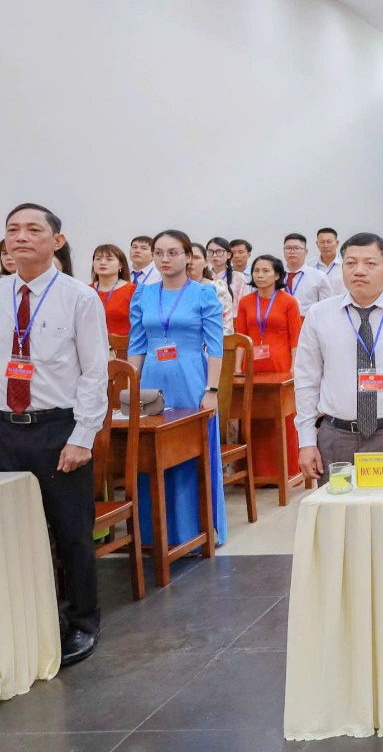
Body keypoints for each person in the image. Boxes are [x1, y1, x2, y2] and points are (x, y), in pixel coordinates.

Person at [1, 203, 110, 666]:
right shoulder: (1, 293)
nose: (21, 237)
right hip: (5, 428)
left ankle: (82, 622)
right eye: (13, 230)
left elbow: (95, 373)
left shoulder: (79, 298)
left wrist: (83, 436)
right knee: (11, 533)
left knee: (71, 533)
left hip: (56, 429)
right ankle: (24, 621)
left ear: (57, 241)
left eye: (33, 229)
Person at [295, 233, 383, 478]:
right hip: (336, 437)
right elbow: (306, 380)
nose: (359, 271)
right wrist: (306, 441)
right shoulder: (319, 315)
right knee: (336, 505)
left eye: (370, 263)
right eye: (351, 263)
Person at [127, 229, 226, 547]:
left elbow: (216, 347)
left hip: (191, 380)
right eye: (159, 253)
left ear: (187, 256)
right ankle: (153, 533)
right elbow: (136, 345)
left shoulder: (204, 293)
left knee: (190, 453)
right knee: (150, 453)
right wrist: (130, 387)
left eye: (172, 253)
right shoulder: (143, 293)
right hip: (152, 380)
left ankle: (194, 530)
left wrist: (212, 390)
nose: (165, 259)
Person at [234, 254, 303, 487]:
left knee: (283, 419)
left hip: (280, 365)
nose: (260, 275)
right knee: (254, 418)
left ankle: (287, 470)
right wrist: (237, 367)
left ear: (277, 275)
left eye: (265, 271)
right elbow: (241, 336)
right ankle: (257, 474)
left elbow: (295, 337)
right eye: (256, 271)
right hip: (252, 366)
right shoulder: (245, 302)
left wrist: (294, 368)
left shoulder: (288, 301)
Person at [282, 233, 335, 316]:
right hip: (279, 321)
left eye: (297, 248)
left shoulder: (318, 276)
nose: (292, 251)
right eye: (288, 248)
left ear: (306, 252)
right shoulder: (275, 276)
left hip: (306, 321)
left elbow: (326, 307)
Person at [91, 243, 135, 337]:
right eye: (98, 259)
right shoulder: (86, 291)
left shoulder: (133, 291)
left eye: (109, 259)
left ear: (120, 265)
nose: (102, 262)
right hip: (92, 342)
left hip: (123, 344)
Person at [206, 237, 251, 318]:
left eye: (219, 252)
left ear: (229, 255)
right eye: (210, 252)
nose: (214, 255)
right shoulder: (204, 277)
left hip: (232, 322)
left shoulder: (238, 277)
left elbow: (245, 306)